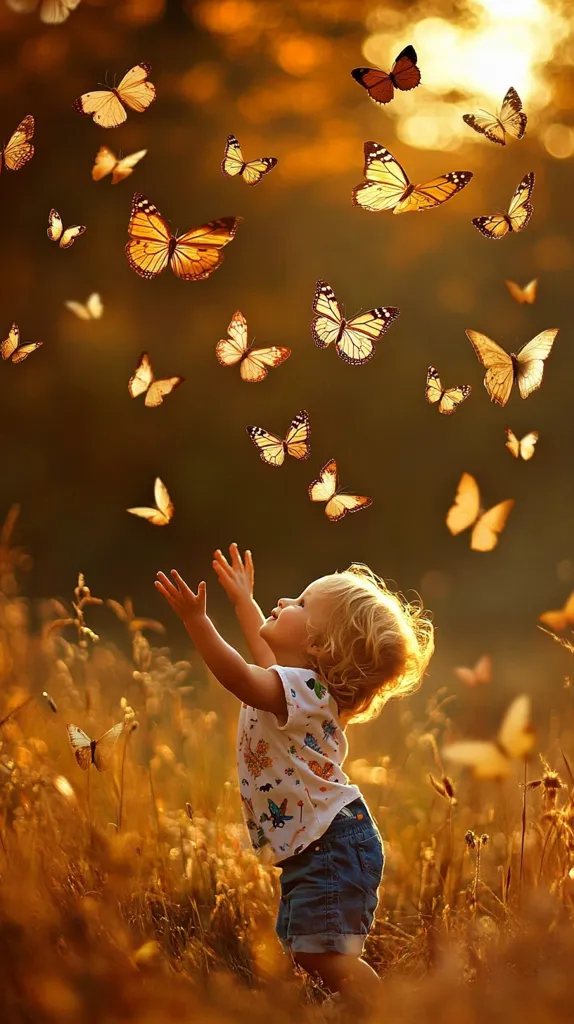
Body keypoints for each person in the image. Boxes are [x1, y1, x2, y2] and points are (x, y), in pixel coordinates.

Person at [155, 544, 434, 1015]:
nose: (284, 602)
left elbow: (241, 676)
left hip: (331, 841)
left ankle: (392, 1010)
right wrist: (245, 598)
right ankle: (359, 1007)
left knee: (318, 953)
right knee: (313, 949)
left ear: (319, 648)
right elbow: (264, 649)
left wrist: (196, 621)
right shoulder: (300, 686)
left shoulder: (300, 692)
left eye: (301, 605)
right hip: (327, 840)